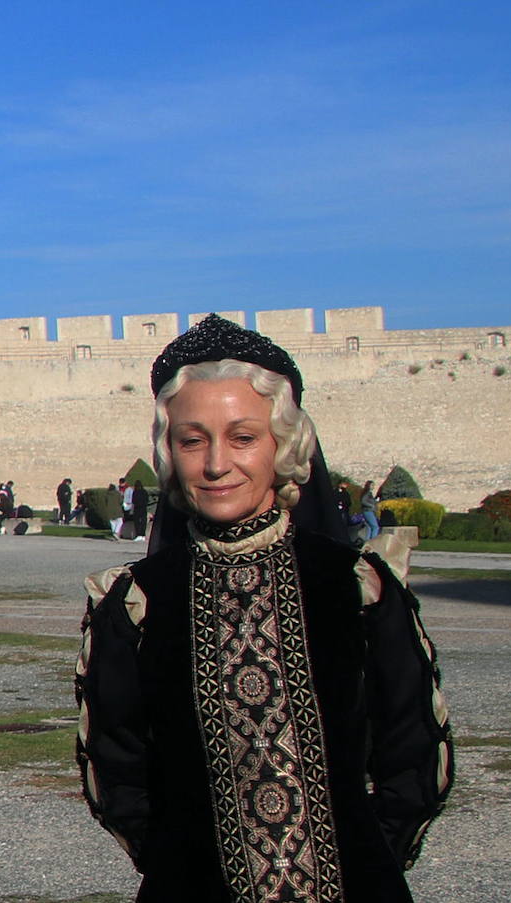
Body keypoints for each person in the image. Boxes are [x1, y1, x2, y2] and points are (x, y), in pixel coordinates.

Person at [74, 314, 452, 902]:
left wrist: (369, 857)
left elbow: (414, 743)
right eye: (192, 440)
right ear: (170, 452)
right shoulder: (134, 602)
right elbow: (116, 764)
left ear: (283, 445)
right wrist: (182, 863)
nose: (216, 463)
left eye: (243, 438)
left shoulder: (358, 585)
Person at [129, 477, 149, 542]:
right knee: (143, 522)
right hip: (144, 509)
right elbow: (147, 500)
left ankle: (138, 535)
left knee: (137, 522)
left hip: (137, 509)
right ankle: (143, 535)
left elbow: (133, 500)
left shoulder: (135, 492)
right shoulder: (145, 492)